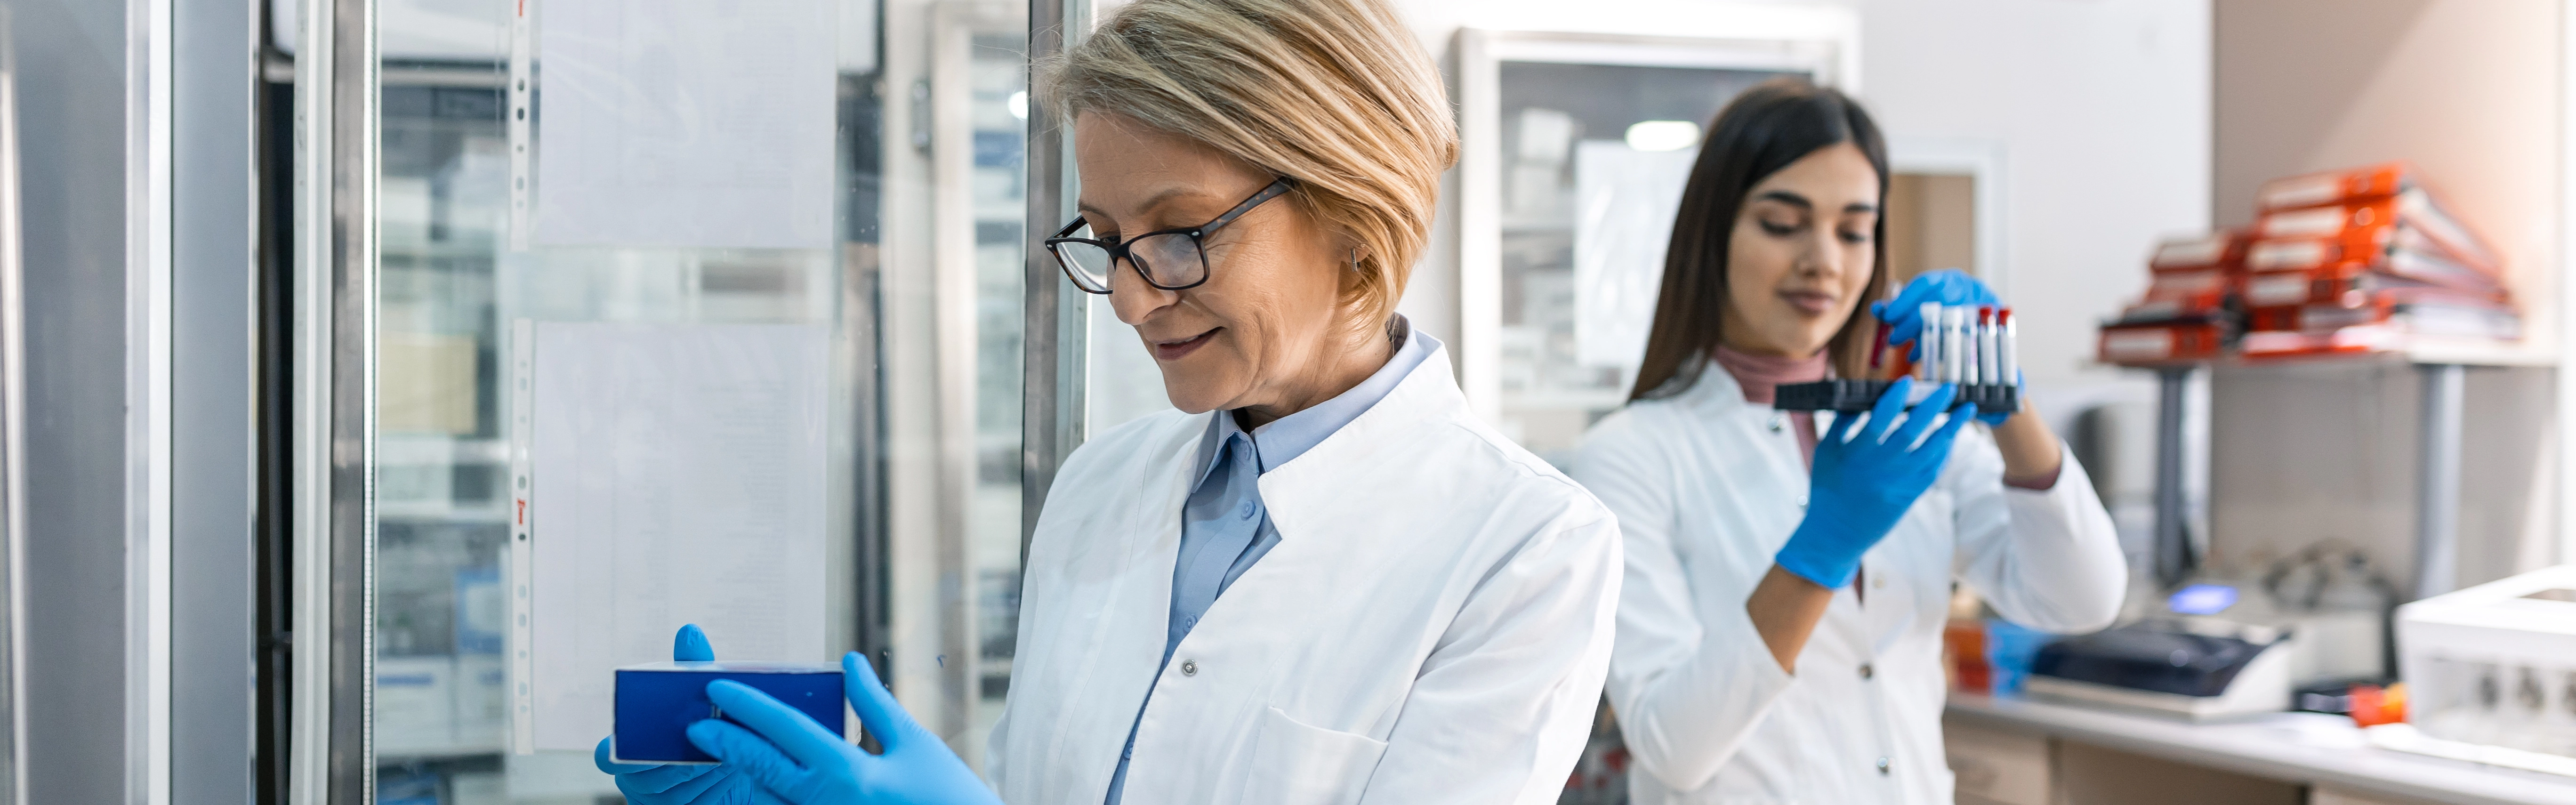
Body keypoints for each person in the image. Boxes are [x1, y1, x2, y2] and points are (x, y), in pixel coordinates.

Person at [595, 0, 1624, 803]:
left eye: (1180, 235)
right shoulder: (1102, 486)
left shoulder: (1526, 547)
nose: (1132, 296)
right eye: (1106, 237)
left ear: (1353, 214)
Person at [1570, 79, 2125, 805]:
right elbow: (1674, 746)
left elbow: (2082, 599)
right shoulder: (1632, 452)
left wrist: (2003, 400)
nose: (1824, 261)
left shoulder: (1906, 428)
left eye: (1853, 230)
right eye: (1782, 223)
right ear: (1715, 233)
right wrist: (1823, 546)